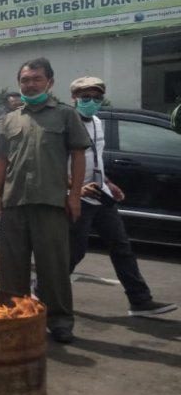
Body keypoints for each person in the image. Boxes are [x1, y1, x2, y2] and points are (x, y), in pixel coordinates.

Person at [0, 57, 90, 344]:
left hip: (50, 203)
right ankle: (14, 316)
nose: (30, 84)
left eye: (36, 79)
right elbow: (0, 159)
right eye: (25, 80)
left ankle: (59, 321)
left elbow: (78, 155)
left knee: (53, 266)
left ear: (50, 82)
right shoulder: (10, 119)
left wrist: (74, 195)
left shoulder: (65, 116)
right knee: (12, 267)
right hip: (14, 203)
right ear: (19, 83)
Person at [68, 76, 177, 317]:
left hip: (100, 194)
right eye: (86, 97)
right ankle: (42, 290)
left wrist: (107, 182)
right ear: (74, 98)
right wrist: (75, 189)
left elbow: (94, 158)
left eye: (97, 98)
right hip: (78, 197)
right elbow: (52, 165)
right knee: (73, 252)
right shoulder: (65, 124)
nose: (92, 102)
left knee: (121, 247)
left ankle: (140, 301)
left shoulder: (98, 122)